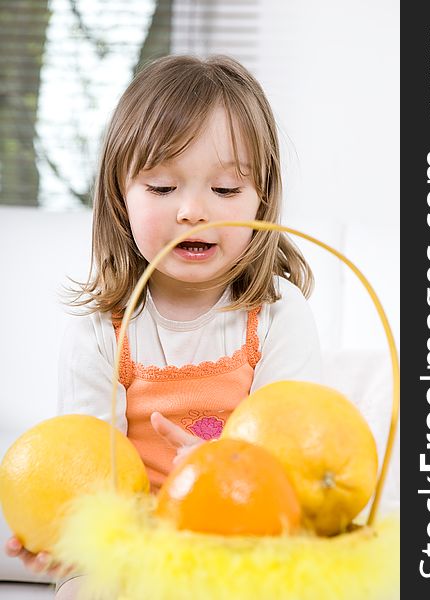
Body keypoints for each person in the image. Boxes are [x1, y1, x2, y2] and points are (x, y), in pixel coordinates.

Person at [5, 54, 321, 598]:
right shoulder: (101, 331)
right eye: (161, 188)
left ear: (261, 201)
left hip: (243, 536)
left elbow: (295, 465)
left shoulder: (277, 314)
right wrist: (67, 527)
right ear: (119, 198)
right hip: (134, 545)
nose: (194, 211)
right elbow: (82, 467)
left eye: (225, 191)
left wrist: (222, 474)